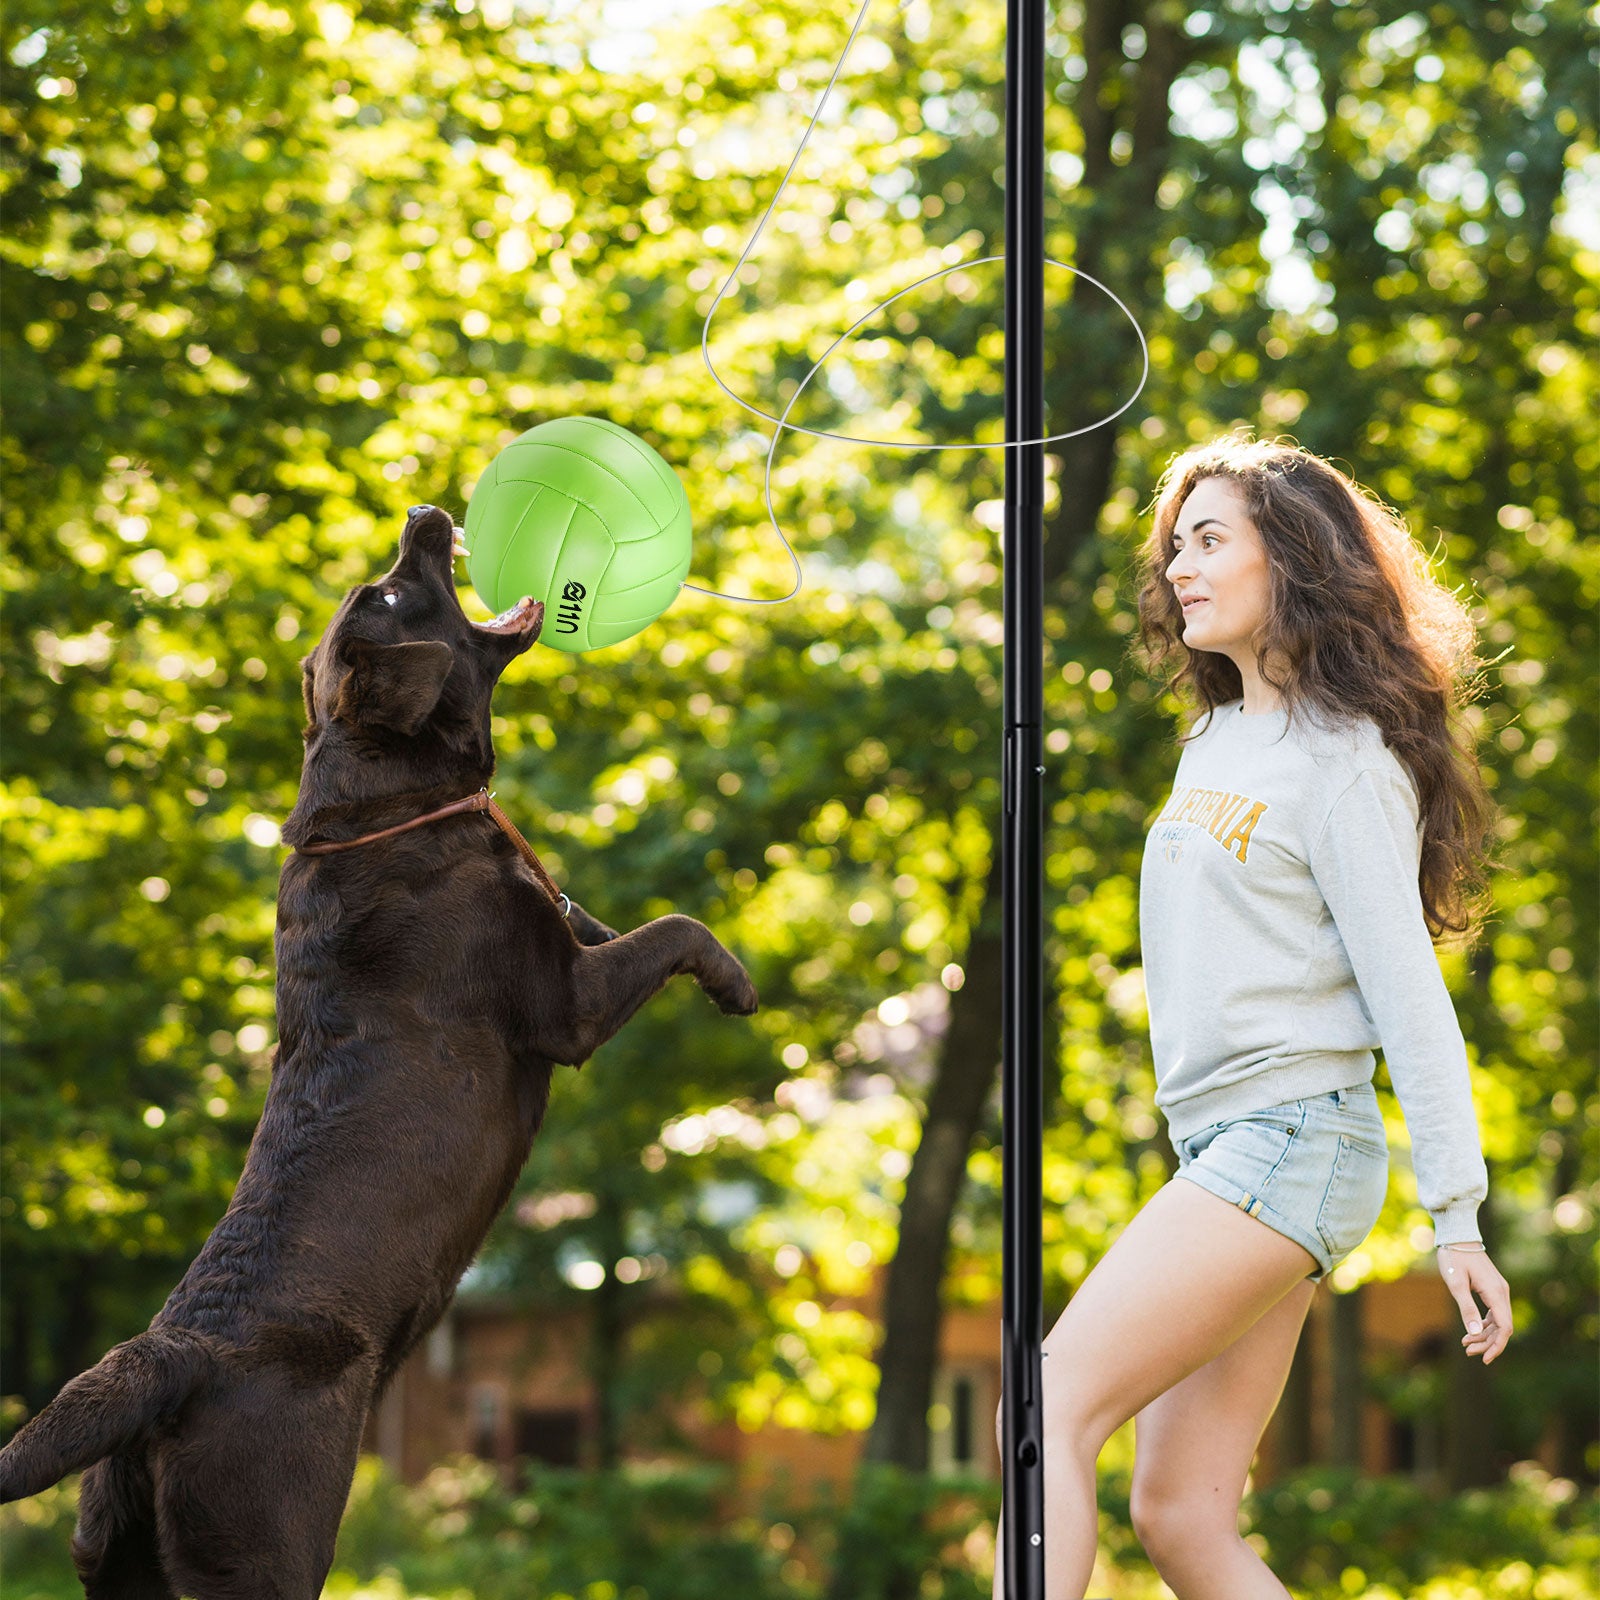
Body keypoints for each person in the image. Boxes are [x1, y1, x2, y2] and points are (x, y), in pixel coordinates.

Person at [990, 434, 1514, 1600]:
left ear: (1293, 556)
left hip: (1293, 1137)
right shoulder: (1216, 738)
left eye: (1210, 538)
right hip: (1233, 1142)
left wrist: (1457, 1214)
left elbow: (1406, 994)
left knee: (1044, 1405)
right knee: (1178, 1513)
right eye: (1174, 543)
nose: (1179, 563)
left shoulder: (1344, 760)